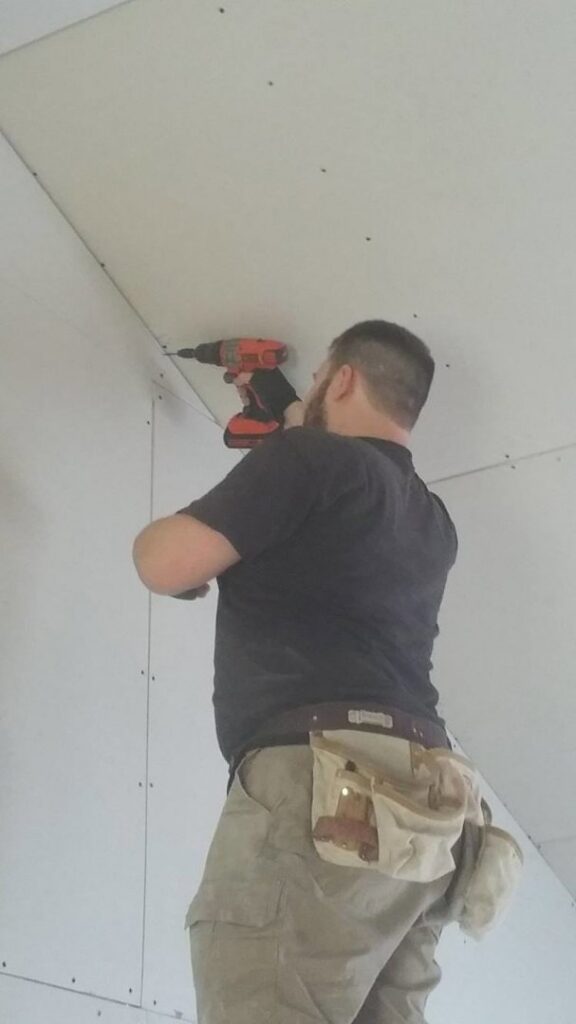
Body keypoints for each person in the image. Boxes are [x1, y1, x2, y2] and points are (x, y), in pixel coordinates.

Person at [133, 320, 468, 1023]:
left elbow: (162, 564)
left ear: (341, 380)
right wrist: (290, 407)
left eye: (319, 377)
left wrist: (199, 550)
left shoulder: (306, 460)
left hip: (325, 788)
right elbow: (344, 478)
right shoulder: (433, 520)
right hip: (427, 805)